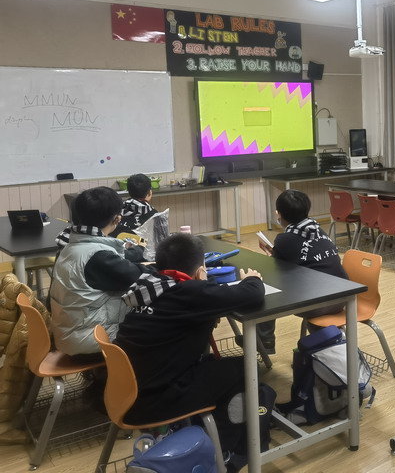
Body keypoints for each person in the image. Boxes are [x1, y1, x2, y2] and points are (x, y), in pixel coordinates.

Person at [114, 233, 267, 471]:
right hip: (155, 401)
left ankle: (193, 430)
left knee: (213, 365)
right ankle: (225, 449)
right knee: (244, 368)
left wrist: (202, 290)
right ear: (199, 270)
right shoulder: (191, 293)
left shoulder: (148, 285)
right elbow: (253, 293)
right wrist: (253, 279)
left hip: (123, 393)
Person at [49, 187, 154, 356]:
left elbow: (119, 260)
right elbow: (140, 276)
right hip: (91, 342)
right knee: (165, 325)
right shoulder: (98, 257)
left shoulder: (71, 246)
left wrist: (138, 253)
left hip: (72, 334)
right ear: (117, 219)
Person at [257, 190, 349, 351]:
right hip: (344, 296)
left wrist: (272, 257)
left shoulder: (284, 239)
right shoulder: (318, 229)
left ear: (279, 214)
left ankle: (264, 341)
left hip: (318, 303)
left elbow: (277, 273)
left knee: (264, 288)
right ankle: (326, 347)